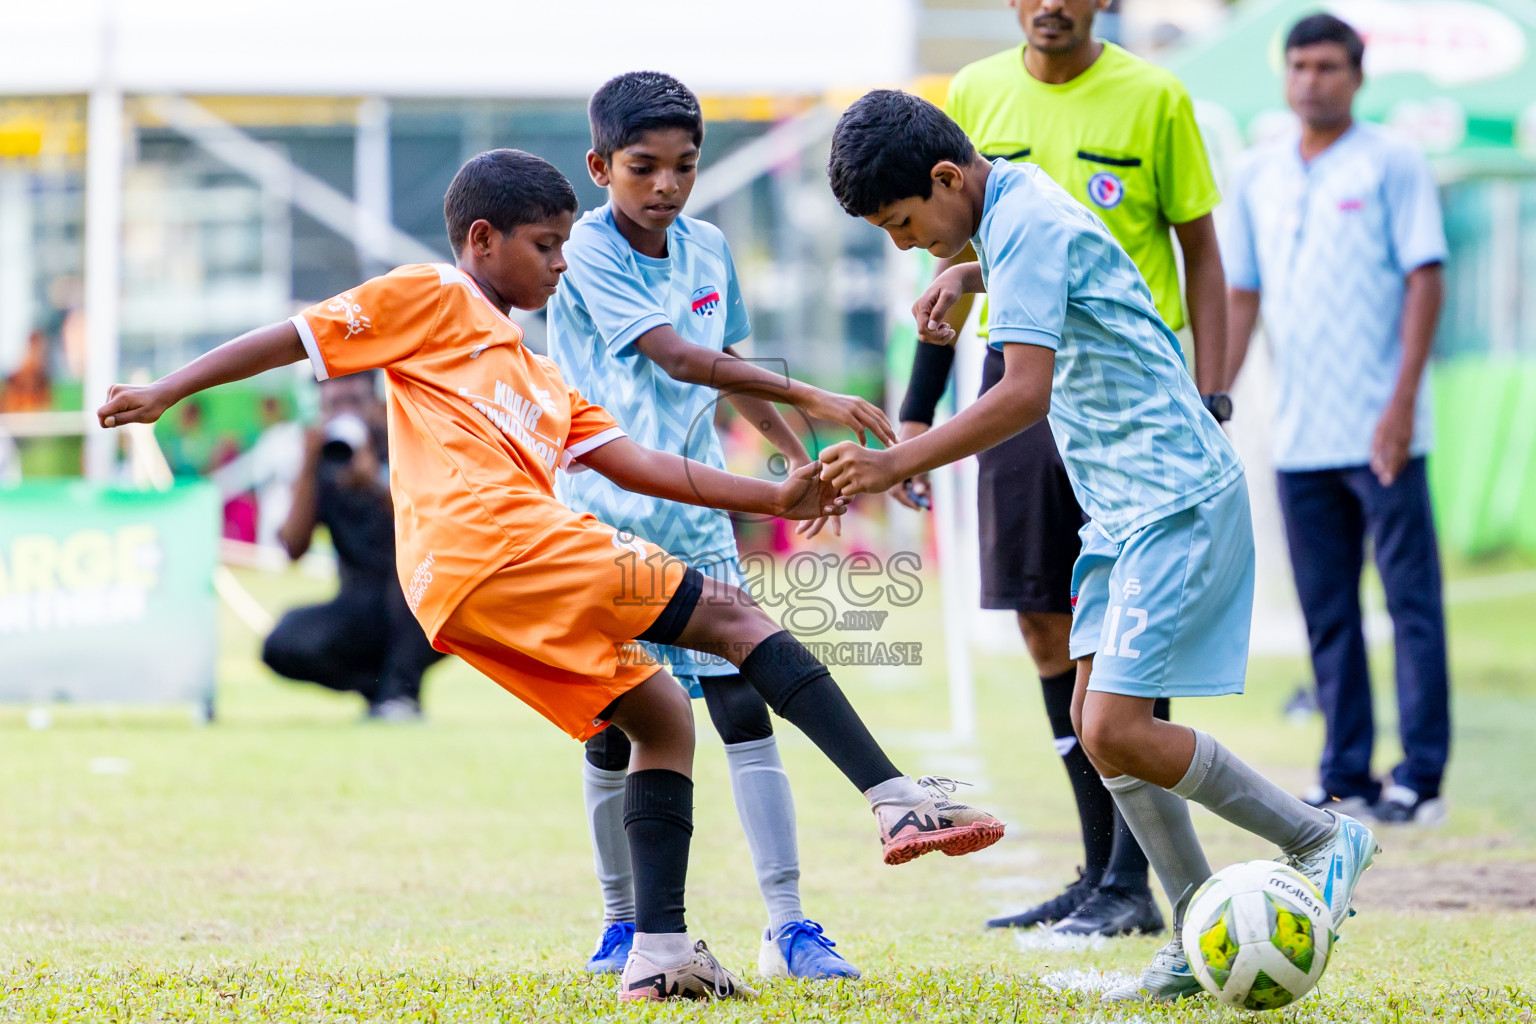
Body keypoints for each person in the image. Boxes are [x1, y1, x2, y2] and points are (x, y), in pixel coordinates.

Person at [96, 147, 1005, 1003]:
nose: (561, 264)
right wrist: (169, 390)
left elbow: (644, 465)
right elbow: (298, 335)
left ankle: (657, 952)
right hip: (500, 545)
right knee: (733, 620)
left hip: (468, 588)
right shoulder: (437, 294)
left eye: (567, 245)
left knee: (660, 713)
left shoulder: (539, 378)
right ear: (483, 239)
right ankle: (897, 803)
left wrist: (776, 497)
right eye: (546, 245)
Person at [822, 90, 1378, 1003]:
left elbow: (1022, 394)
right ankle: (1200, 921)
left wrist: (896, 462)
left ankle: (1320, 837)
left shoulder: (1024, 220)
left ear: (947, 179)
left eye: (904, 222)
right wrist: (969, 274)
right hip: (1120, 509)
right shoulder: (1010, 206)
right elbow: (1076, 268)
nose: (904, 244)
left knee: (1119, 726)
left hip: (1171, 495)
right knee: (1098, 730)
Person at [896, 0, 1230, 937]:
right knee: (1047, 623)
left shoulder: (1156, 95)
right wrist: (919, 404)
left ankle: (1137, 873)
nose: (1050, 4)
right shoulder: (973, 91)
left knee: (1128, 621)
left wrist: (1212, 389)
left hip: (1124, 385)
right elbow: (948, 253)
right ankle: (1102, 872)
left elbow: (1201, 250)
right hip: (1015, 373)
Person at [548, 72, 885, 980]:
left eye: (685, 168)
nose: (665, 186)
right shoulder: (582, 250)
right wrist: (813, 391)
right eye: (643, 167)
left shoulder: (705, 246)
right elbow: (677, 355)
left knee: (743, 708)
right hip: (603, 522)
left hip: (698, 515)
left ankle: (791, 926)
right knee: (616, 724)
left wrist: (789, 456)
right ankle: (624, 923)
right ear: (600, 166)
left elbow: (726, 364)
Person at [1222, 14, 1450, 826]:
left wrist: (1399, 406)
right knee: (1329, 610)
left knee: (1409, 604)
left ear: (1357, 75)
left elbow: (1426, 280)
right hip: (1300, 434)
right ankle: (1345, 772)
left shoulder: (1393, 163)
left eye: (1326, 66)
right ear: (1285, 77)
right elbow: (1242, 294)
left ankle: (1420, 778)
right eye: (1299, 66)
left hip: (1385, 433)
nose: (1311, 80)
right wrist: (1218, 392)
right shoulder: (1258, 173)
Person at [261, 373, 442, 720]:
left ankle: (401, 694)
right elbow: (293, 547)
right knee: (282, 641)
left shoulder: (404, 442)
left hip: (420, 600)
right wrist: (308, 465)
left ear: (377, 403)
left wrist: (375, 481)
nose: (344, 413)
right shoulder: (323, 458)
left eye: (353, 402)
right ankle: (381, 688)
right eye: (332, 405)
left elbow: (431, 525)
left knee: (411, 587)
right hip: (359, 608)